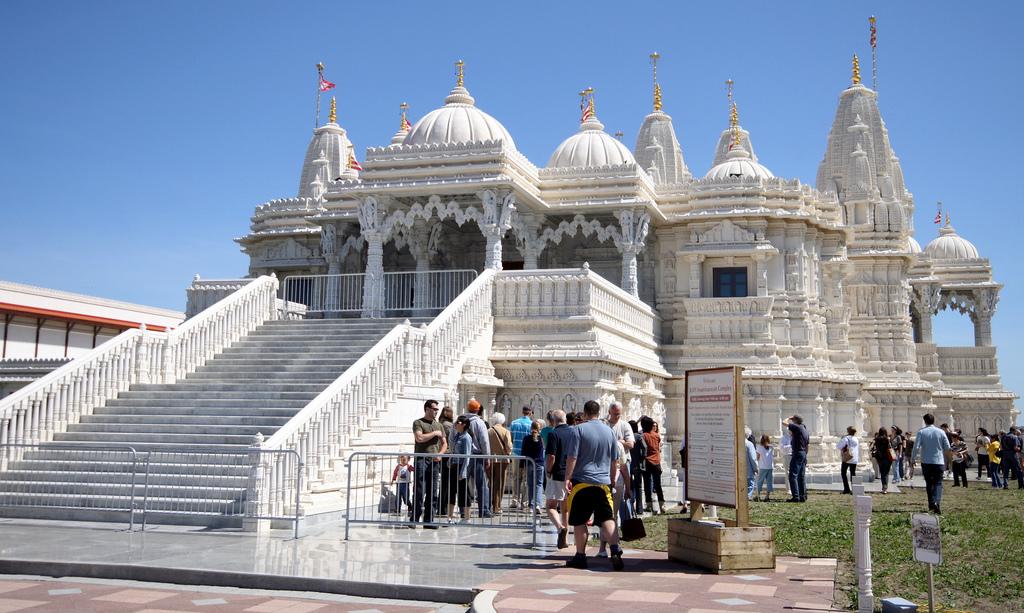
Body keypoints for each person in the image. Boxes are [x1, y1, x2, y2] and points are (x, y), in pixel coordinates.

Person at [564, 400, 624, 571]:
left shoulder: (578, 430)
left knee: (579, 520)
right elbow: (614, 460)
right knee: (607, 518)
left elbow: (572, 457)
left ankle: (580, 556)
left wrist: (567, 478)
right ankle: (615, 549)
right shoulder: (609, 432)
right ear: (599, 412)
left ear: (584, 413)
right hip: (602, 483)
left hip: (581, 482)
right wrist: (611, 479)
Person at [411, 399, 447, 527]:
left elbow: (445, 443)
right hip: (421, 459)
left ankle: (429, 520)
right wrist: (434, 433)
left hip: (434, 461)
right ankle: (414, 519)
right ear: (427, 409)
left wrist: (440, 454)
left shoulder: (439, 425)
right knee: (420, 490)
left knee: (432, 491)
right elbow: (419, 438)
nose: (436, 411)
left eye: (437, 409)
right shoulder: (418, 422)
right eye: (434, 409)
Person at [598, 438, 631, 559]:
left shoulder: (600, 442)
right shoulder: (618, 445)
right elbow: (624, 468)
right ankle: (615, 544)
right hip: (617, 482)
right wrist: (628, 488)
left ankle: (602, 548)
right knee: (613, 515)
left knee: (603, 515)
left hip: (601, 480)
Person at [912, 413, 952, 514]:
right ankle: (937, 502)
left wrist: (913, 459)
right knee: (938, 483)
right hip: (939, 461)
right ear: (934, 421)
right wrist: (949, 460)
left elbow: (916, 447)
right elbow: (947, 447)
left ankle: (931, 503)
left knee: (929, 483)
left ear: (925, 421)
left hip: (926, 461)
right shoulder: (941, 432)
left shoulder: (921, 432)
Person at [544, 410, 572, 549]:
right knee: (565, 508)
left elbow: (551, 456)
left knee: (550, 506)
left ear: (554, 420)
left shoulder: (553, 433)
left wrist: (548, 470)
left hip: (557, 473)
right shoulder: (573, 432)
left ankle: (560, 528)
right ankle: (564, 540)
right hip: (570, 474)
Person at [464, 399, 492, 517]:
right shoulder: (479, 423)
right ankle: (484, 510)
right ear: (478, 410)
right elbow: (484, 441)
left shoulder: (460, 420)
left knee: (463, 483)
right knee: (481, 484)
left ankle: (464, 511)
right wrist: (487, 457)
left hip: (463, 456)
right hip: (477, 456)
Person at [446, 415, 473, 523]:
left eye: (458, 423)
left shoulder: (466, 437)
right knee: (451, 491)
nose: (456, 424)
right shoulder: (457, 435)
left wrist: (463, 472)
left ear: (464, 425)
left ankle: (467, 517)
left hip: (461, 466)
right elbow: (452, 446)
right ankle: (449, 516)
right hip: (454, 465)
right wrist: (450, 460)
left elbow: (467, 456)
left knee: (464, 492)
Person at [509, 406, 534, 509]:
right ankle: (525, 501)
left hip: (515, 453)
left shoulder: (514, 423)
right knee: (525, 479)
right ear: (530, 413)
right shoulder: (531, 424)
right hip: (527, 455)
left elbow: (510, 438)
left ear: (522, 412)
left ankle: (515, 500)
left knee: (516, 477)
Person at [488, 412, 512, 515]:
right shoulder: (506, 431)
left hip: (490, 459)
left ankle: (490, 504)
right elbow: (509, 447)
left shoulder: (488, 431)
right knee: (500, 483)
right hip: (502, 460)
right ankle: (497, 506)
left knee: (491, 482)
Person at [640, 417, 665, 515]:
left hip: (647, 462)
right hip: (656, 462)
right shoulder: (657, 435)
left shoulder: (644, 436)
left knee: (647, 484)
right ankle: (662, 505)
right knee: (658, 485)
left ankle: (649, 505)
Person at [520, 419, 546, 513]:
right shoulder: (541, 439)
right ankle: (538, 504)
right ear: (539, 429)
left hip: (529, 463)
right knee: (539, 484)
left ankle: (531, 505)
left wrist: (521, 466)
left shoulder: (526, 438)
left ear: (531, 428)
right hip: (539, 463)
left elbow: (523, 452)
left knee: (530, 484)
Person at [785, 415, 809, 502]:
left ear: (795, 421)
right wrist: (805, 456)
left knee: (793, 475)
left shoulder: (797, 427)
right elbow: (807, 445)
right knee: (801, 476)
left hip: (797, 453)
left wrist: (789, 418)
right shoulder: (805, 430)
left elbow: (784, 422)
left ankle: (795, 496)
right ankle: (802, 496)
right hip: (803, 453)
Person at [438, 406, 455, 514]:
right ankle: (443, 507)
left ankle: (442, 507)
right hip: (447, 454)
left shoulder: (440, 423)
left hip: (443, 454)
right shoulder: (447, 425)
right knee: (447, 483)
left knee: (445, 482)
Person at [837, 426, 860, 494]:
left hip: (847, 458)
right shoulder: (856, 439)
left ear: (848, 431)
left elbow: (839, 446)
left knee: (843, 473)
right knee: (853, 473)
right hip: (854, 458)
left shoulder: (846, 438)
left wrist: (842, 439)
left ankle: (846, 488)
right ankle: (855, 489)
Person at [628, 420, 645, 506]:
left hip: (628, 464)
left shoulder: (627, 437)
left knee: (629, 485)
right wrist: (642, 457)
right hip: (637, 464)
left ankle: (631, 503)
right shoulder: (639, 436)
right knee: (638, 486)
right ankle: (639, 507)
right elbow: (645, 447)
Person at [871, 428, 893, 494]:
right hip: (887, 457)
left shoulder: (877, 439)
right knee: (886, 473)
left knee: (882, 472)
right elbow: (890, 447)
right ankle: (885, 488)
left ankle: (884, 486)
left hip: (880, 457)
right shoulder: (887, 439)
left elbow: (874, 447)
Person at [755, 434, 774, 501]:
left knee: (760, 481)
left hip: (763, 466)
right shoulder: (771, 447)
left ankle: (758, 495)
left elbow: (757, 457)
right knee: (769, 482)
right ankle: (767, 496)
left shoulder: (759, 447)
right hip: (770, 466)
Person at [744, 428, 757, 501]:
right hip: (748, 469)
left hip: (739, 470)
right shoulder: (749, 444)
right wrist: (756, 468)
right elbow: (753, 458)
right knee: (750, 484)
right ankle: (748, 496)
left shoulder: (736, 443)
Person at [781, 429, 793, 497]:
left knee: (794, 472)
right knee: (788, 473)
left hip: (794, 455)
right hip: (787, 456)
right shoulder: (784, 437)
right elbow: (782, 448)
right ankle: (789, 489)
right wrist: (791, 445)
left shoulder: (795, 436)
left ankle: (795, 488)